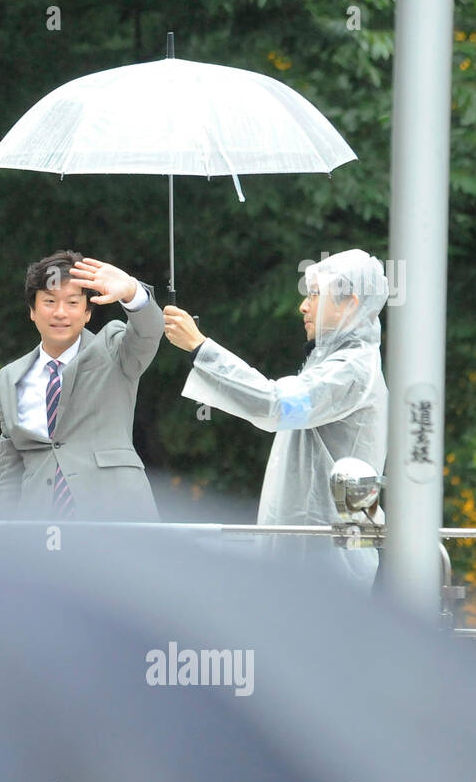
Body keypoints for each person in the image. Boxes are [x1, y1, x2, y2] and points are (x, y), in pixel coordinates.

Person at [162, 248, 389, 587]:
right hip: (316, 555)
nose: (304, 306)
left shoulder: (352, 369)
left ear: (350, 304)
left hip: (329, 563)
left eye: (315, 294)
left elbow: (276, 404)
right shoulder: (336, 361)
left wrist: (201, 348)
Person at [0, 250, 163, 520]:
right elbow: (12, 468)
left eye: (72, 302)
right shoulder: (9, 377)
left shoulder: (112, 349)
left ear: (87, 313)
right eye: (49, 301)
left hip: (117, 517)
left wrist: (132, 292)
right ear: (32, 311)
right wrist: (3, 531)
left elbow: (149, 332)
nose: (60, 313)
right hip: (37, 526)